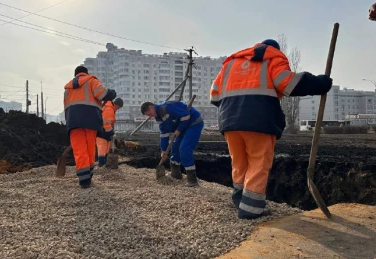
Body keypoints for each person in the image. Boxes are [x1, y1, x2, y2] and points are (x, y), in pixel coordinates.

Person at [210, 39, 333, 219]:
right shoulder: (272, 57)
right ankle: (251, 209)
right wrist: (320, 83)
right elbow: (288, 83)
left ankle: (239, 199)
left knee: (239, 162)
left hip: (229, 121)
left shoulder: (231, 63)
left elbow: (214, 95)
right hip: (259, 121)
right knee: (259, 162)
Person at [64, 66, 116, 189]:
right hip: (91, 121)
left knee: (79, 151)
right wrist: (112, 93)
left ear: (75, 75)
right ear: (85, 73)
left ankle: (84, 181)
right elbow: (103, 94)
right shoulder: (91, 81)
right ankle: (89, 175)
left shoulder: (67, 89)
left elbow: (66, 108)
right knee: (89, 149)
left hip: (73, 123)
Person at [140, 100, 204, 187]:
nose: (150, 116)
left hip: (193, 123)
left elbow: (185, 115)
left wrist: (179, 130)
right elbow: (164, 134)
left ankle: (192, 180)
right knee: (175, 148)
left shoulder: (167, 107)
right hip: (183, 127)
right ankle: (176, 173)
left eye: (149, 114)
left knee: (184, 148)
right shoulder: (158, 117)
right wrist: (163, 150)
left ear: (151, 107)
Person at [96, 98, 124, 167]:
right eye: (119, 107)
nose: (118, 109)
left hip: (105, 131)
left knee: (106, 147)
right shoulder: (109, 109)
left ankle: (105, 163)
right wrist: (111, 133)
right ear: (116, 104)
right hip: (102, 131)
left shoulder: (111, 109)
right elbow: (106, 123)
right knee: (102, 147)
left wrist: (111, 132)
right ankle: (101, 163)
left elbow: (110, 122)